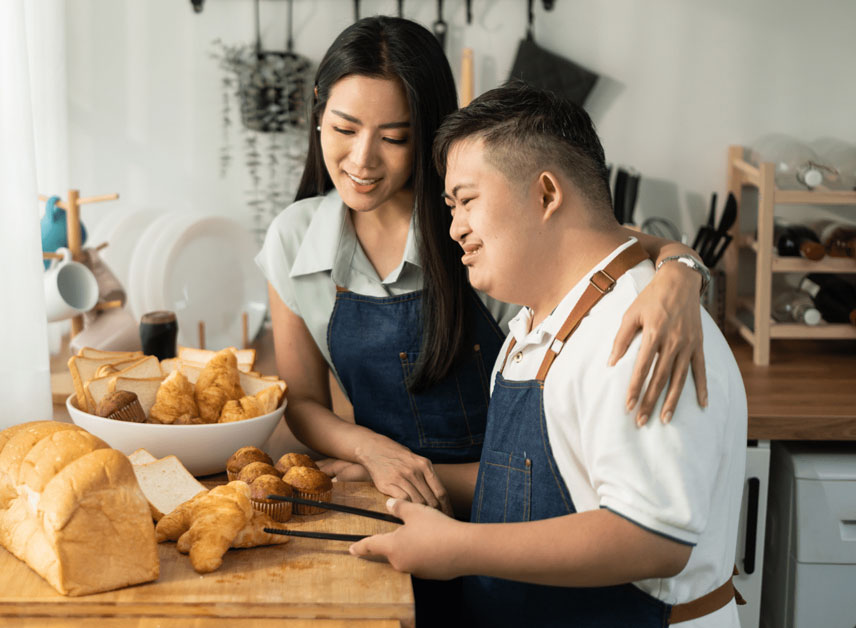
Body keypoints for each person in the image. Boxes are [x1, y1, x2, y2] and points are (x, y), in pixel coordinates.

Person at [254, 16, 712, 515]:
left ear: (426, 133)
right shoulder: (293, 239)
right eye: (345, 128)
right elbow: (302, 403)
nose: (363, 159)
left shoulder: (477, 227)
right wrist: (374, 454)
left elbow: (607, 242)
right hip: (388, 494)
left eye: (394, 138)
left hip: (513, 503)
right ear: (318, 109)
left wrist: (682, 272)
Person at [350, 82, 747, 627]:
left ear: (546, 194)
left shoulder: (637, 329)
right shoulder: (540, 323)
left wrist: (459, 547)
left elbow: (651, 538)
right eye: (449, 206)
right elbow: (522, 486)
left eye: (466, 200)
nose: (454, 228)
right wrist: (382, 475)